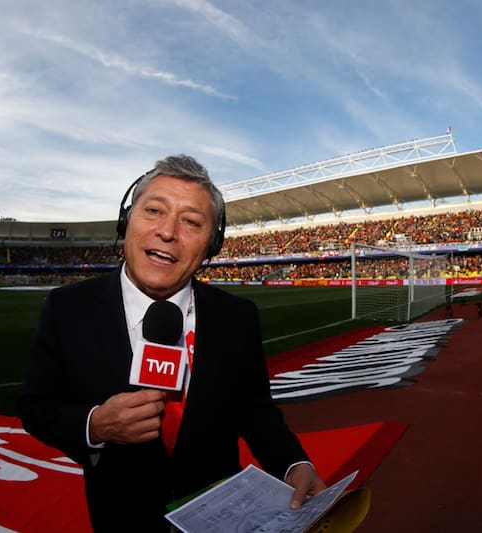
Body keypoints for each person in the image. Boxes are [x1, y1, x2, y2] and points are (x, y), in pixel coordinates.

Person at [19, 154, 325, 531]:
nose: (167, 232)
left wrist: (294, 464)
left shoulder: (237, 317)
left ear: (211, 245)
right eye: (153, 211)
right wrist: (94, 425)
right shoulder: (68, 307)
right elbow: (36, 406)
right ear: (126, 221)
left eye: (191, 222)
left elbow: (257, 412)